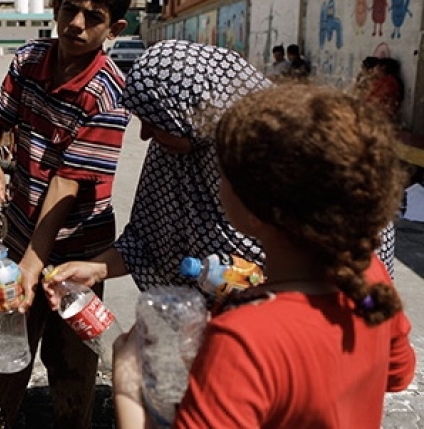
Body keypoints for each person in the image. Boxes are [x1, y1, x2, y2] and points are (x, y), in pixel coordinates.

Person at [112, 83, 416, 428]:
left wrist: (128, 384)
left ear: (255, 209)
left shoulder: (242, 339)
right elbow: (396, 374)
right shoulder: (370, 282)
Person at [0, 0, 133, 428]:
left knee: (72, 376)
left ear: (114, 27)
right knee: (5, 360)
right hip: (21, 240)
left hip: (76, 261)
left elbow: (67, 183)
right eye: (71, 9)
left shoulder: (107, 92)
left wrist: (33, 268)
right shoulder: (29, 59)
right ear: (57, 7)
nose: (76, 24)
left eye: (93, 17)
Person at [42, 40, 269, 308]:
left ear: (192, 112)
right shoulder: (171, 151)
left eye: (156, 122)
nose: (144, 135)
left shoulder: (264, 159)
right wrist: (96, 269)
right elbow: (146, 241)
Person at [364, 57, 403, 122]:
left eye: (376, 67)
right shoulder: (383, 81)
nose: (374, 70)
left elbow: (375, 101)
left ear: (383, 67)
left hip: (380, 118)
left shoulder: (389, 82)